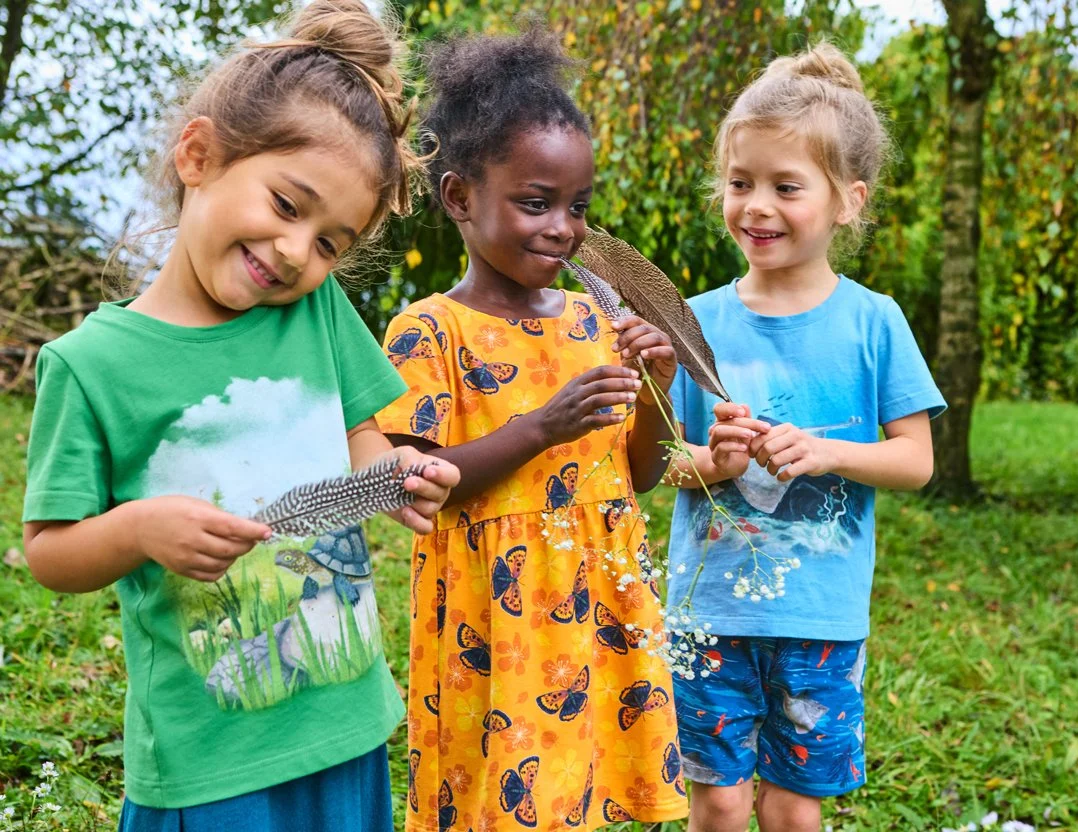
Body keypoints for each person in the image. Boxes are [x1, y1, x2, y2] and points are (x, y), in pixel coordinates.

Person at [21, 2, 458, 829]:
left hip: (346, 725)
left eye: (332, 241)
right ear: (199, 155)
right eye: (288, 207)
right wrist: (140, 529)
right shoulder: (91, 365)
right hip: (210, 764)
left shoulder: (316, 313)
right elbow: (49, 552)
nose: (300, 252)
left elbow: (362, 447)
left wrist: (393, 476)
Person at [376, 27, 689, 832]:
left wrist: (657, 388)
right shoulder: (428, 331)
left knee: (583, 788)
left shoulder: (599, 318)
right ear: (459, 198)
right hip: (497, 615)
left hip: (597, 600)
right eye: (535, 203)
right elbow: (415, 485)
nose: (563, 228)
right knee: (504, 799)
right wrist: (539, 427)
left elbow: (639, 474)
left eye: (578, 206)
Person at [665, 42, 947, 832]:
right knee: (716, 801)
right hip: (708, 613)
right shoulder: (694, 322)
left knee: (792, 809)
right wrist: (711, 463)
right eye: (740, 183)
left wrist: (825, 451)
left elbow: (915, 460)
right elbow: (659, 461)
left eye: (786, 187)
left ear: (848, 201)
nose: (757, 206)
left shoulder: (873, 322)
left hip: (821, 620)